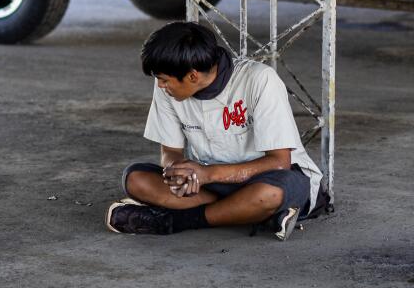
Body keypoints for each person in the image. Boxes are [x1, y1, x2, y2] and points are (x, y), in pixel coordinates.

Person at [106, 21, 323, 241]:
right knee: (136, 179)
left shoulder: (259, 79)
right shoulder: (167, 87)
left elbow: (279, 162)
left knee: (269, 194)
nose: (161, 86)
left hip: (268, 177)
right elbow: (170, 151)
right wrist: (177, 172)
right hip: (208, 185)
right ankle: (247, 214)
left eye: (164, 80)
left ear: (192, 76)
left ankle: (175, 220)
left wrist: (206, 173)